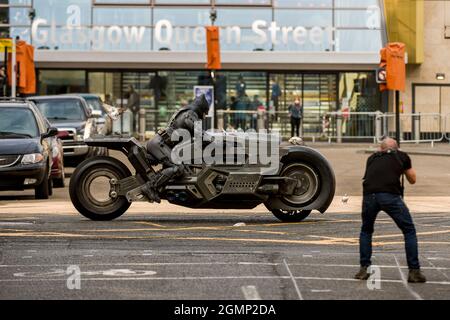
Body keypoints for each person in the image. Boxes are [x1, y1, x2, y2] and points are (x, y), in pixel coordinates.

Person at [355, 137, 426, 283]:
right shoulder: (402, 156)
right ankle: (414, 271)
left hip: (369, 196)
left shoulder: (372, 158)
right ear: (397, 148)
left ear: (381, 148)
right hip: (390, 196)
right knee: (409, 230)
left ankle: (364, 269)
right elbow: (412, 179)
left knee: (366, 230)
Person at [142, 94, 210, 203]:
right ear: (201, 109)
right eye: (204, 113)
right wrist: (213, 140)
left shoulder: (186, 112)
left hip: (162, 144)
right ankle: (150, 187)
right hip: (160, 144)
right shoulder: (190, 114)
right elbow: (199, 133)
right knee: (177, 168)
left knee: (181, 164)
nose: (204, 116)